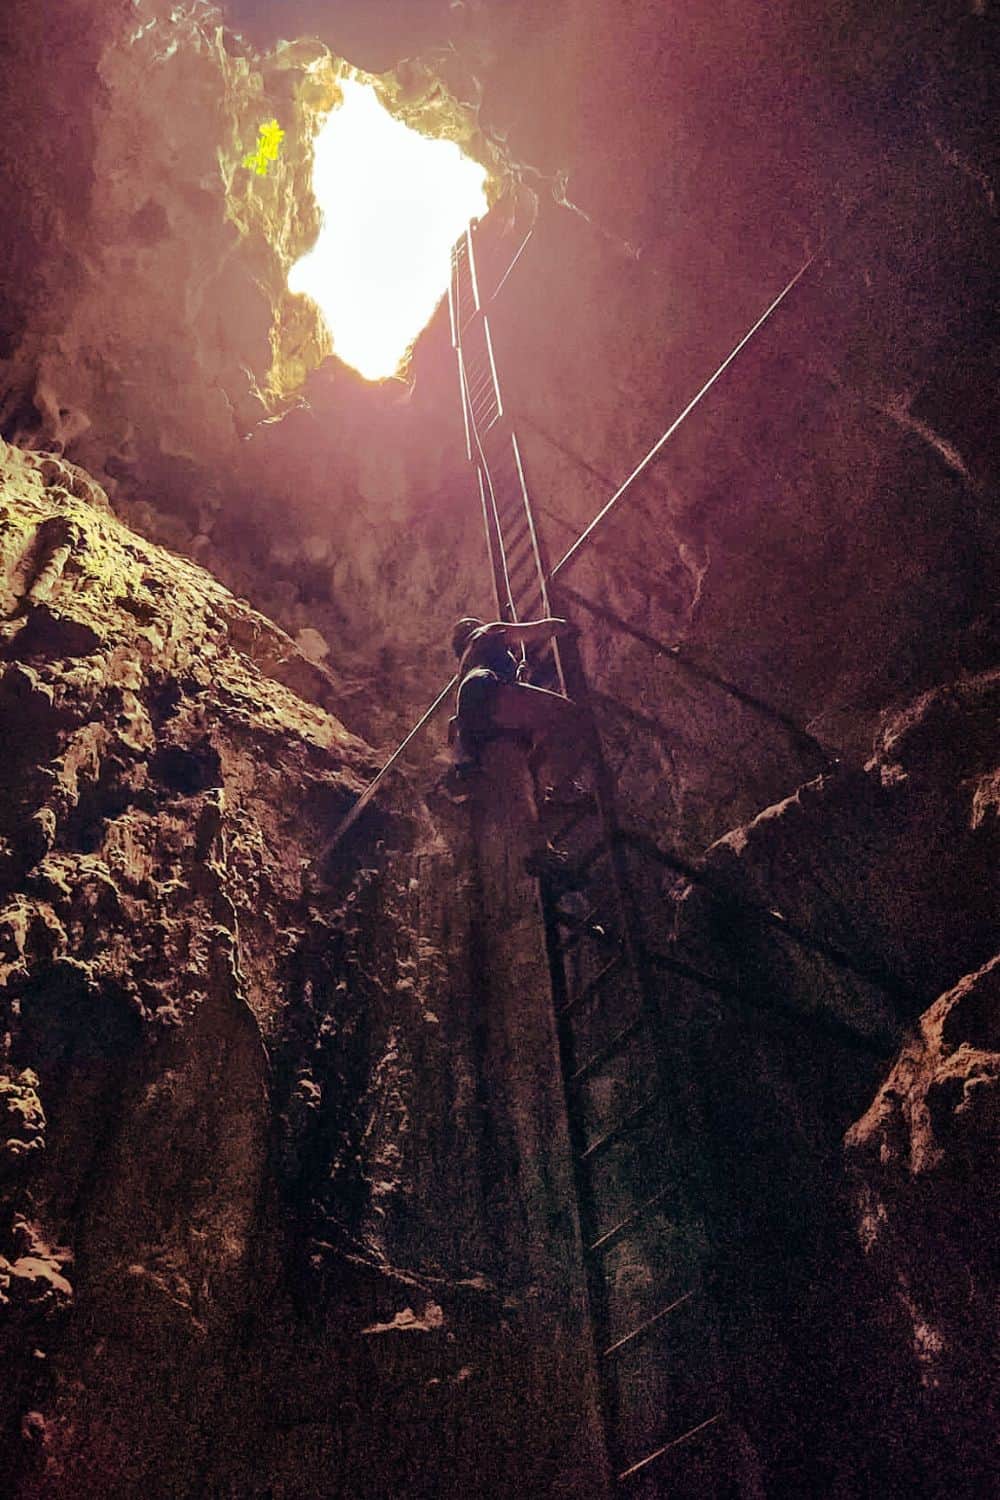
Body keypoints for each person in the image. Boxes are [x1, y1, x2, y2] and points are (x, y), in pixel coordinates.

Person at [448, 615, 596, 791]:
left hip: (476, 724)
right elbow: (536, 629)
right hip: (485, 690)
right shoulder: (484, 633)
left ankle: (537, 777)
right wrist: (565, 625)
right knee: (571, 715)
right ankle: (562, 788)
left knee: (544, 728)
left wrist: (519, 676)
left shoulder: (468, 663)